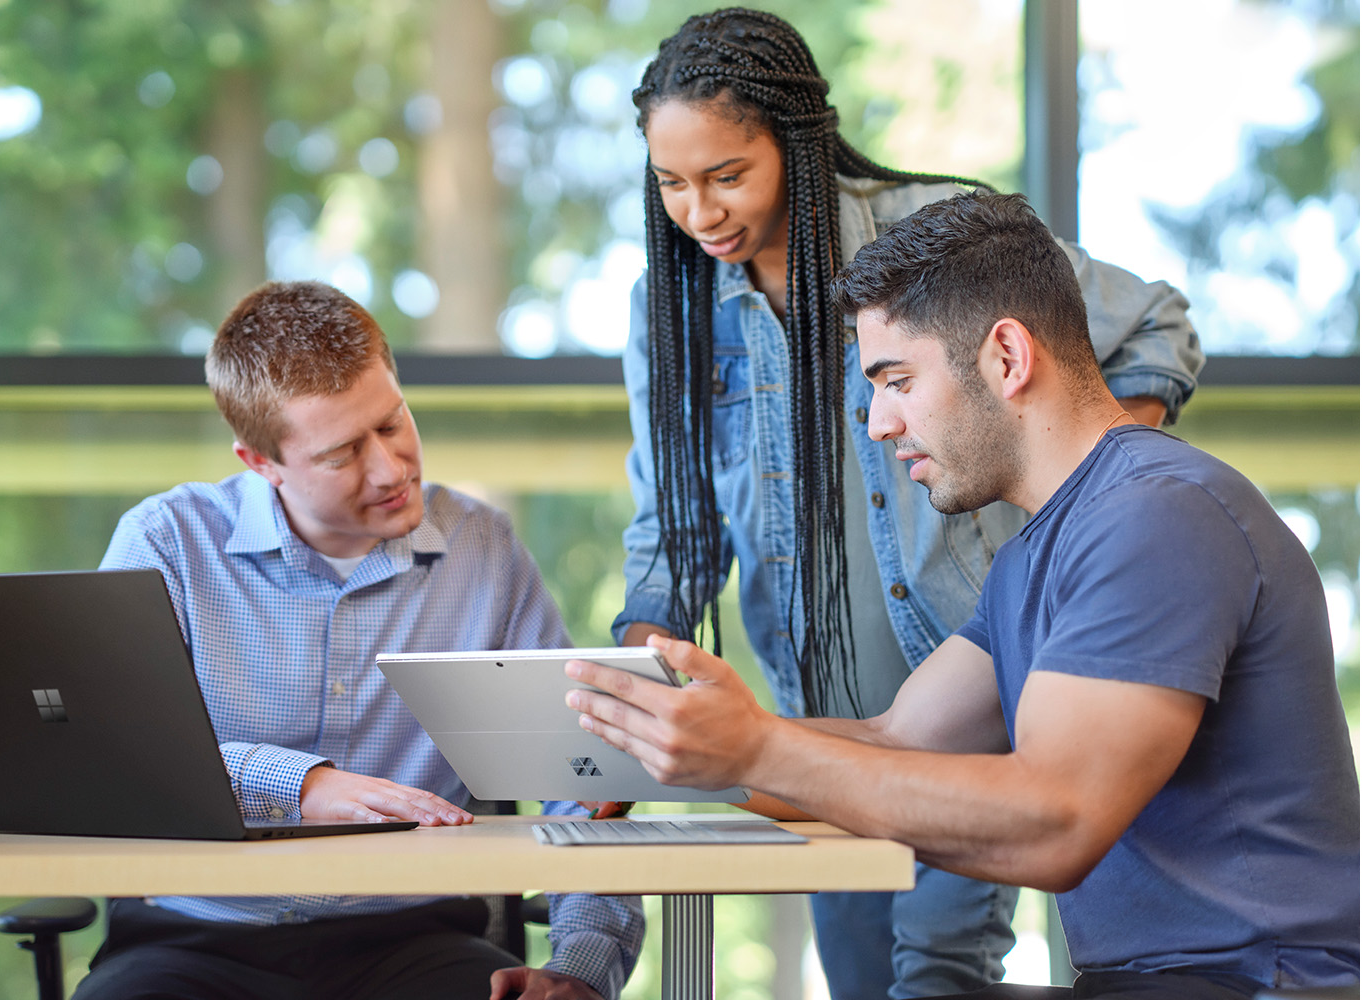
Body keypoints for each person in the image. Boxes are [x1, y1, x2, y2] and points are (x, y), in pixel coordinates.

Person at [574, 191, 1361, 999]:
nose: (876, 423)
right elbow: (898, 738)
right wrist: (662, 746)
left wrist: (754, 751)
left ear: (1008, 358)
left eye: (895, 379)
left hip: (1254, 984)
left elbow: (1057, 819)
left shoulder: (1159, 515)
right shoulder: (1034, 553)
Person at [612, 8, 1205, 999]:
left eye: (726, 176)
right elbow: (674, 525)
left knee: (936, 971)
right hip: (819, 728)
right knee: (861, 979)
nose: (700, 213)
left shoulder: (930, 244)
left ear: (795, 148)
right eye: (671, 183)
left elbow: (1156, 325)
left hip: (980, 695)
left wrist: (1085, 497)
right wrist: (635, 689)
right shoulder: (668, 308)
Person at [73, 281, 643, 1000]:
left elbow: (582, 788)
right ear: (260, 462)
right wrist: (300, 786)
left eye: (394, 423)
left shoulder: (484, 550)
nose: (391, 468)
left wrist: (582, 970)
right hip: (191, 938)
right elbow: (115, 761)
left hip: (417, 940)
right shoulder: (167, 543)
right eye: (342, 454)